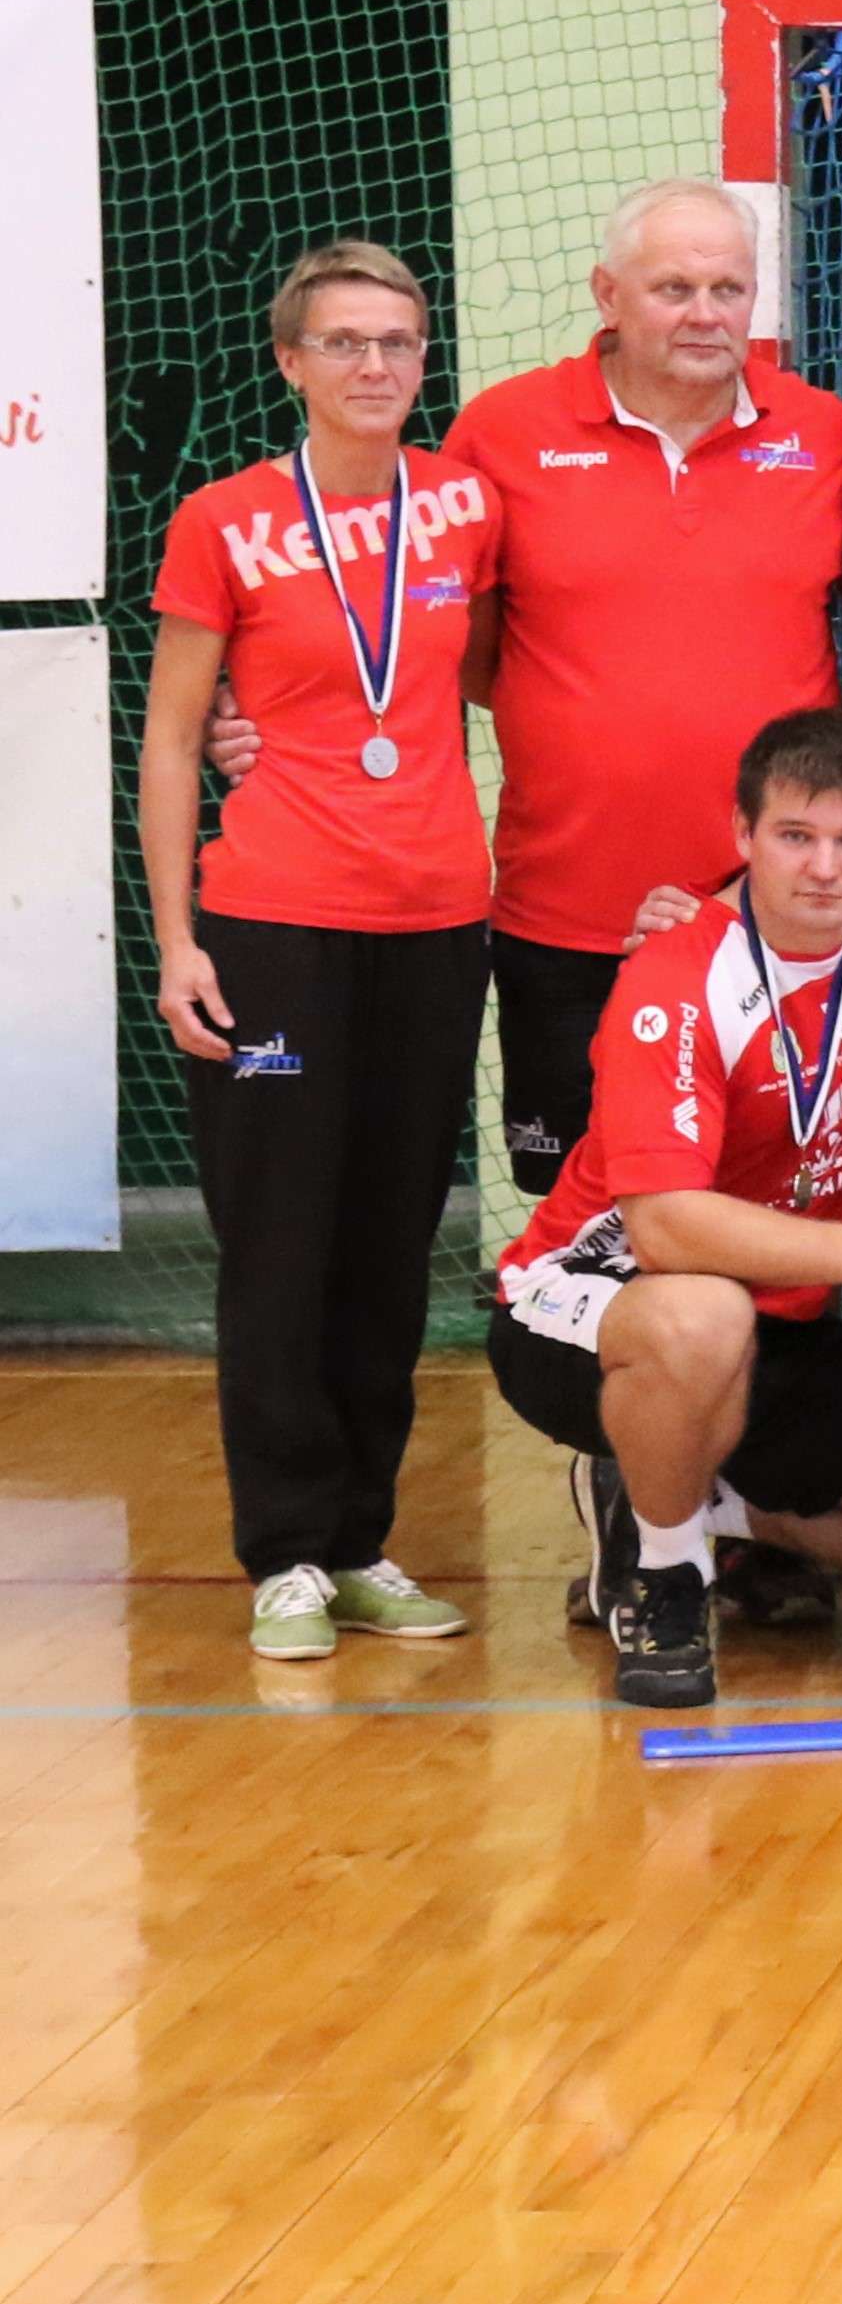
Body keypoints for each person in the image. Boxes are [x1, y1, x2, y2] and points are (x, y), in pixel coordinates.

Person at [213, 181, 842, 1220]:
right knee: (577, 1220)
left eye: (729, 289)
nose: (705, 314)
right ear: (607, 294)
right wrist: (258, 713)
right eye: (674, 288)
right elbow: (430, 640)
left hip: (774, 917)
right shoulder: (503, 432)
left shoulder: (828, 434)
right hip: (563, 918)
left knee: (762, 1215)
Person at [487, 710, 842, 1706]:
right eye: (794, 837)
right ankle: (666, 1579)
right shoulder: (677, 980)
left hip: (777, 1319)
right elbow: (664, 1226)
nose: (825, 868)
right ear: (743, 835)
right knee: (705, 1314)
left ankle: (685, 1500)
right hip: (596, 1297)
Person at [140, 236, 505, 1661]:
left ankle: (360, 1541)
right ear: (291, 361)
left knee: (391, 1243)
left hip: (436, 924)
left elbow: (497, 668)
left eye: (397, 342)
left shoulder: (466, 506)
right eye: (344, 342)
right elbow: (176, 738)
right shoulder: (223, 519)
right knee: (281, 1241)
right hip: (275, 925)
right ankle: (285, 1551)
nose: (374, 365)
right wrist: (177, 939)